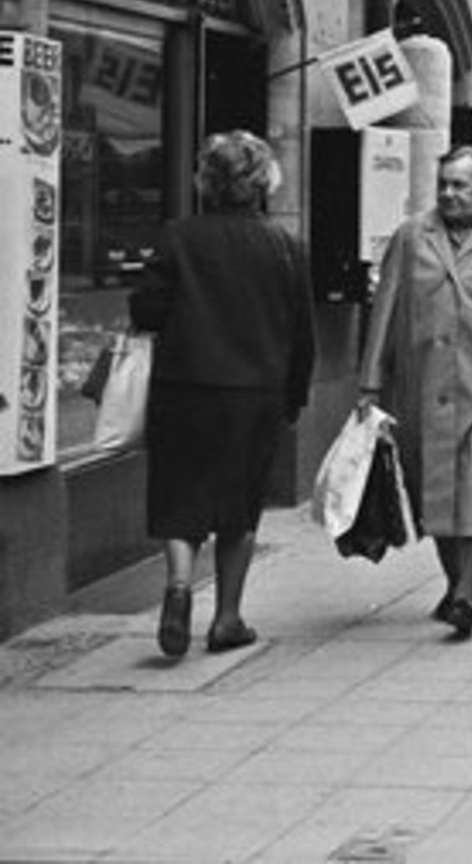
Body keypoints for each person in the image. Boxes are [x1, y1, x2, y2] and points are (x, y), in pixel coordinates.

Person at [129, 131, 316, 660]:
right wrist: (294, 396)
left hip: (183, 388)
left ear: (206, 181)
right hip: (253, 395)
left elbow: (147, 311)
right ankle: (227, 618)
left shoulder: (178, 237)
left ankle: (180, 587)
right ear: (262, 183)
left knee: (179, 497)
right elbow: (303, 332)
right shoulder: (285, 247)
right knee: (240, 508)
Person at [357, 147, 472, 640]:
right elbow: (386, 309)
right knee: (433, 493)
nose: (449, 194)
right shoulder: (413, 234)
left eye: (461, 185)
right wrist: (370, 381)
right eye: (443, 184)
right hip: (421, 384)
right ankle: (454, 583)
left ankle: (467, 595)